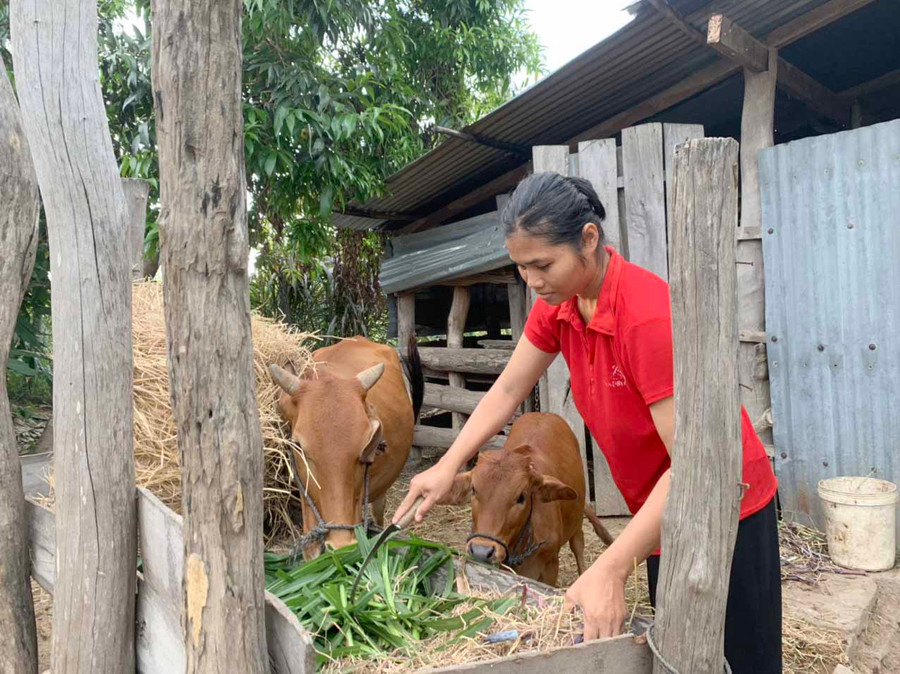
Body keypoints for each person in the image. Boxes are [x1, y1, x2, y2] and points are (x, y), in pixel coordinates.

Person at [392, 171, 782, 672]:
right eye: (521, 268)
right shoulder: (560, 306)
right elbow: (509, 389)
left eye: (542, 264)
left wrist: (613, 566)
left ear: (589, 240)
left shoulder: (645, 316)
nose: (532, 280)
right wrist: (448, 463)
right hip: (660, 510)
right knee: (684, 649)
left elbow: (697, 464)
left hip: (728, 501)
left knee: (743, 657)